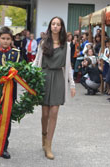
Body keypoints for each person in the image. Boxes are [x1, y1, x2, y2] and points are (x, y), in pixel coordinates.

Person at [33, 16, 76, 160]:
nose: (56, 26)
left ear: (62, 27)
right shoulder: (43, 43)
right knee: (45, 113)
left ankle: (49, 145)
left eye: (58, 24)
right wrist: (29, 76)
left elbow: (68, 66)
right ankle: (44, 136)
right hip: (44, 76)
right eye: (53, 24)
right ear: (50, 26)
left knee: (54, 112)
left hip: (58, 77)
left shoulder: (67, 45)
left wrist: (72, 84)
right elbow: (37, 61)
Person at [0, 26, 21, 159]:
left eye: (8, 39)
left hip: (10, 91)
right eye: (3, 38)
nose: (5, 41)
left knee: (7, 119)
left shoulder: (15, 54)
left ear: (11, 40)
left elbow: (20, 72)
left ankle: (4, 147)